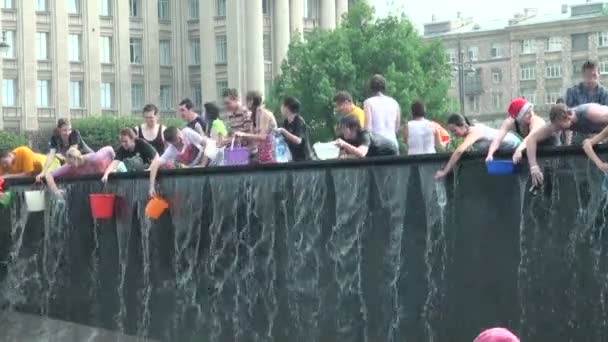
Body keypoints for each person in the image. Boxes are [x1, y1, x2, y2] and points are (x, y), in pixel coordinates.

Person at [527, 103, 608, 186]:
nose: (558, 130)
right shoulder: (558, 122)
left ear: (568, 118)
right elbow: (531, 140)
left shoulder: (591, 113)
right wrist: (534, 167)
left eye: (559, 127)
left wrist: (594, 140)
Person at [435, 113, 520, 179]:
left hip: (515, 144)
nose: (454, 134)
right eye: (452, 132)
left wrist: (445, 171)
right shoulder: (470, 133)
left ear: (463, 125)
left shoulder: (474, 132)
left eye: (454, 130)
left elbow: (459, 151)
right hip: (507, 151)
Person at [486, 98, 560, 164]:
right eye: (527, 113)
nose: (531, 114)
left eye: (531, 110)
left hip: (550, 146)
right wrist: (490, 154)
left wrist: (519, 150)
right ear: (518, 117)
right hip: (533, 147)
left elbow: (530, 138)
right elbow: (497, 140)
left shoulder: (536, 121)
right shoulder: (510, 122)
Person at [148, 127, 214, 197]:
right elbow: (156, 164)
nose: (182, 139)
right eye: (178, 140)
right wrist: (151, 186)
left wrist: (203, 164)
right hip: (196, 170)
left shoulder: (187, 132)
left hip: (208, 158)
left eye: (180, 136)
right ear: (171, 143)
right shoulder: (171, 150)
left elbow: (205, 143)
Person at [45, 146, 115, 197]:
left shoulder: (96, 158)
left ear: (77, 158)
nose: (70, 166)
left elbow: (110, 149)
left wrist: (112, 166)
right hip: (94, 188)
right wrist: (56, 191)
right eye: (69, 163)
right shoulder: (69, 167)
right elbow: (48, 175)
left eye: (71, 163)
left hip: (111, 174)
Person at [234, 91, 278, 163]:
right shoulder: (254, 116)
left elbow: (262, 136)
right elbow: (254, 138)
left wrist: (243, 134)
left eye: (247, 100)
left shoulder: (264, 114)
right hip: (262, 154)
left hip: (270, 155)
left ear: (251, 101)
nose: (245, 104)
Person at [363, 74, 401, 148]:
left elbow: (368, 127)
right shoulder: (394, 102)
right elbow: (397, 127)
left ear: (371, 87)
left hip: (377, 144)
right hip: (393, 143)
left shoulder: (368, 102)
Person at [276, 96, 312, 161]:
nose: (281, 108)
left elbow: (298, 141)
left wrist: (283, 131)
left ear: (287, 108)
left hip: (303, 160)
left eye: (282, 106)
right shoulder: (285, 122)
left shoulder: (299, 121)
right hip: (292, 158)